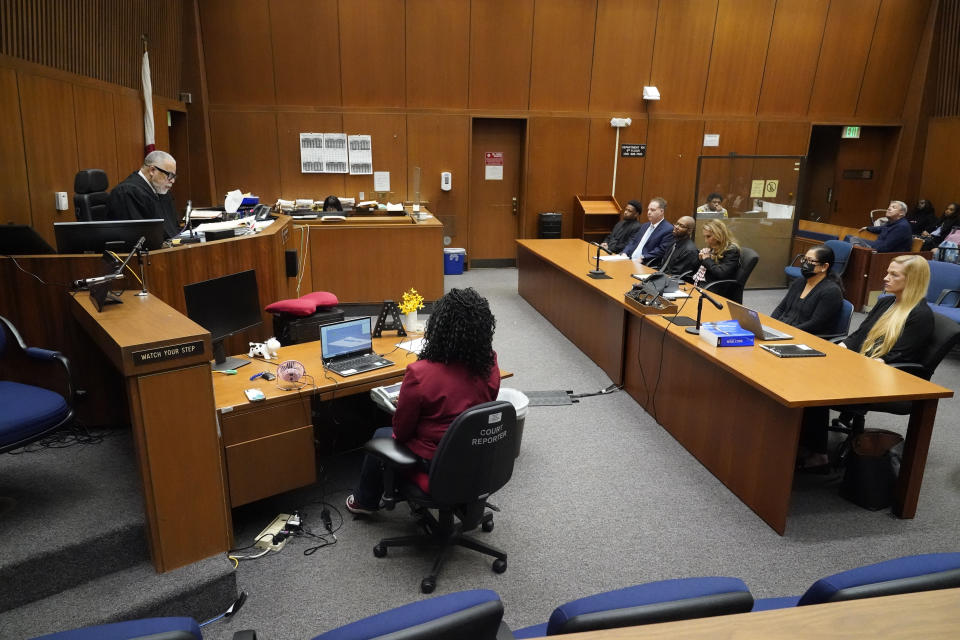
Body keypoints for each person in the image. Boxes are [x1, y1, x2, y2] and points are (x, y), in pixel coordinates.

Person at [345, 287, 501, 514]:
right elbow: (485, 405)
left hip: (434, 461)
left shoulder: (420, 373)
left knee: (381, 434)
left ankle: (364, 502)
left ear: (439, 327)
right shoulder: (490, 362)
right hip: (475, 454)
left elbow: (402, 431)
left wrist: (405, 405)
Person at [798, 255, 933, 470]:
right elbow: (859, 335)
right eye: (888, 272)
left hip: (887, 379)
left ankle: (818, 455)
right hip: (861, 366)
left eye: (894, 275)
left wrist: (850, 365)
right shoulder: (886, 302)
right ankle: (802, 442)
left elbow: (895, 359)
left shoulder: (920, 315)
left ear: (913, 280)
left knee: (813, 388)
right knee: (804, 373)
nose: (886, 278)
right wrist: (840, 348)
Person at [771, 244, 844, 335]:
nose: (805, 264)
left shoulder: (831, 292)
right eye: (804, 259)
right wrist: (770, 325)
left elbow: (815, 324)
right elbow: (781, 308)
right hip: (784, 331)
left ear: (824, 267)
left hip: (805, 336)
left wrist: (786, 331)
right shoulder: (799, 282)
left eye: (810, 260)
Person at [107, 150, 180, 239]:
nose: (172, 181)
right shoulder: (127, 192)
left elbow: (174, 228)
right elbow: (137, 236)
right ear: (152, 170)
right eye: (169, 175)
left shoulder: (161, 191)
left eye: (174, 177)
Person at [621, 197, 674, 267]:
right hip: (629, 260)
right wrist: (625, 252)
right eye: (648, 209)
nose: (649, 212)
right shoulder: (644, 226)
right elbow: (633, 241)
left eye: (652, 210)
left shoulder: (668, 229)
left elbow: (661, 250)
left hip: (645, 264)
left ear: (662, 211)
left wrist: (643, 257)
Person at [696, 219, 740, 290]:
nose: (706, 241)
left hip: (715, 288)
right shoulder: (713, 247)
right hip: (703, 283)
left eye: (708, 236)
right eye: (704, 237)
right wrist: (701, 259)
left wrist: (707, 259)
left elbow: (721, 274)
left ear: (719, 234)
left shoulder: (732, 250)